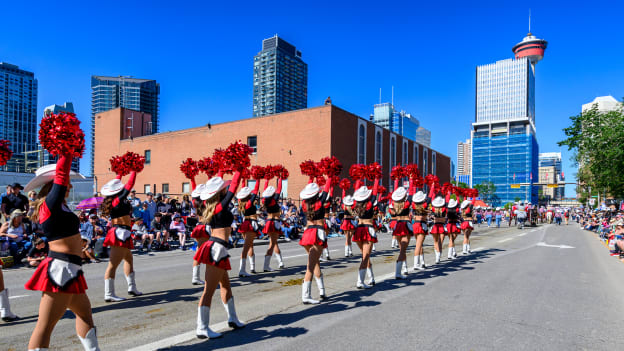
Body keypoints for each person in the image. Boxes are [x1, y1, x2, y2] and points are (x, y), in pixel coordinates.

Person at [24, 153, 100, 350]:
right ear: (56, 185)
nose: (71, 187)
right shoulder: (50, 204)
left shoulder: (60, 206)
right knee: (45, 325)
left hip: (71, 269)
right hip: (61, 270)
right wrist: (67, 148)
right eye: (68, 182)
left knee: (84, 314)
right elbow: (61, 174)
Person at [194, 172, 245, 339]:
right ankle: (202, 327)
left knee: (226, 286)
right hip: (217, 248)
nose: (226, 190)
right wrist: (239, 168)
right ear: (220, 192)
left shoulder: (212, 206)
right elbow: (234, 187)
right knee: (208, 290)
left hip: (218, 247)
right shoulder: (220, 206)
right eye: (223, 188)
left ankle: (233, 318)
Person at [100, 168, 143, 302]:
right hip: (119, 232)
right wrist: (133, 170)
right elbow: (129, 185)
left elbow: (117, 182)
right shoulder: (117, 200)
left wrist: (120, 172)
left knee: (129, 259)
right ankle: (109, 293)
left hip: (124, 232)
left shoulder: (117, 199)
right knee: (113, 264)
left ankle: (132, 287)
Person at [299, 179, 332, 303]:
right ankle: (306, 295)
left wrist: (311, 177)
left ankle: (322, 291)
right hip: (317, 233)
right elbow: (327, 188)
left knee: (315, 262)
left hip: (307, 233)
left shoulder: (304, 204)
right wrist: (330, 173)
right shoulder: (320, 201)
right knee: (311, 265)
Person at [352, 175, 380, 288]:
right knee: (365, 257)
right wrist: (377, 177)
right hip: (368, 229)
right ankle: (360, 281)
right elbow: (375, 189)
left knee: (365, 255)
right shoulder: (370, 203)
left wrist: (358, 178)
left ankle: (371, 278)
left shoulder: (355, 204)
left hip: (358, 229)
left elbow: (355, 192)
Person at [388, 182, 414, 279]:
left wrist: (396, 180)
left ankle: (405, 268)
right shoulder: (406, 203)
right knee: (403, 250)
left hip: (398, 225)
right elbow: (411, 193)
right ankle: (398, 273)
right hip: (405, 225)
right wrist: (411, 180)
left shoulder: (394, 204)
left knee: (402, 249)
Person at [236, 180, 261, 277]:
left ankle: (252, 267)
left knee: (250, 246)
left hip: (244, 223)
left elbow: (244, 191)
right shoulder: (249, 203)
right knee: (246, 247)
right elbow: (255, 191)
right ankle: (242, 270)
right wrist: (258, 179)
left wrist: (243, 180)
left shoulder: (240, 202)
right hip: (251, 224)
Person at [261, 176, 286, 272]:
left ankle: (280, 262)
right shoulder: (274, 200)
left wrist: (266, 180)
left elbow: (264, 190)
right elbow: (279, 188)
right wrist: (280, 177)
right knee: (272, 244)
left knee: (274, 243)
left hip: (268, 222)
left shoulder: (265, 200)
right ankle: (266, 265)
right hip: (274, 222)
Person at [411, 190, 430, 270]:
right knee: (418, 245)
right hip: (421, 225)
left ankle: (422, 262)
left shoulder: (413, 205)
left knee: (419, 244)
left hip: (415, 224)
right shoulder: (424, 205)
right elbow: (429, 198)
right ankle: (416, 264)